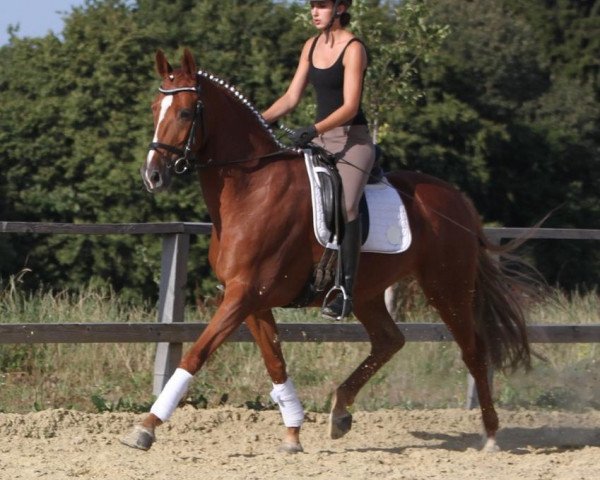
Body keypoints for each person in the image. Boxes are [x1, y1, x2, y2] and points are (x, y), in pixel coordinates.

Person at [262, 0, 375, 319]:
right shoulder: (310, 45)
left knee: (348, 206)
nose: (314, 12)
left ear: (341, 8)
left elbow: (350, 106)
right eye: (312, 6)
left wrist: (312, 129)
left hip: (352, 141)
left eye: (322, 6)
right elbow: (291, 97)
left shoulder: (353, 48)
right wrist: (258, 119)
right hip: (319, 139)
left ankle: (344, 292)